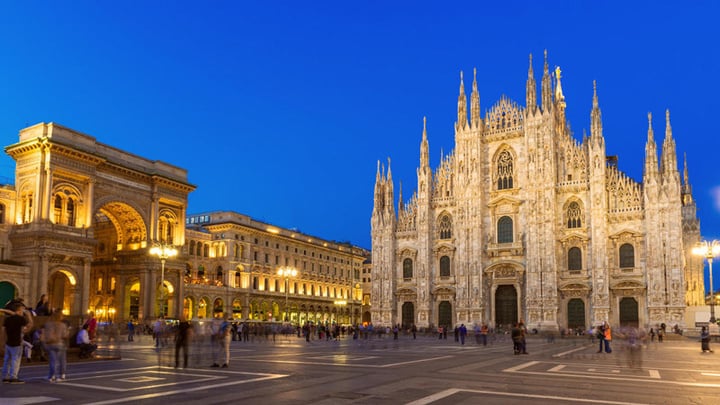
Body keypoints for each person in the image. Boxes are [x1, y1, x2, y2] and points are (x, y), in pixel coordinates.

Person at [2, 300, 34, 383]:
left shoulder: (7, 319)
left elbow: (3, 331)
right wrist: (29, 316)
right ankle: (13, 377)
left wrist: (3, 342)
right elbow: (27, 328)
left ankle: (5, 376)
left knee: (7, 360)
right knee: (15, 360)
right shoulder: (20, 319)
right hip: (17, 342)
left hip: (8, 342)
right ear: (19, 310)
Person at [43, 309, 69, 382]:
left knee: (53, 361)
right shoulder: (62, 325)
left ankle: (52, 376)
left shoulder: (48, 324)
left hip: (51, 344)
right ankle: (62, 375)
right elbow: (65, 335)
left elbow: (45, 334)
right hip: (60, 344)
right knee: (62, 360)